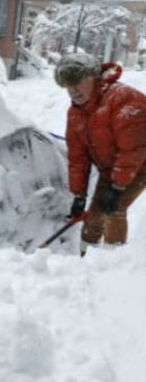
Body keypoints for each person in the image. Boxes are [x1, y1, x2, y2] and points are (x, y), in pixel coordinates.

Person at [54, 53, 146, 254]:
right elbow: (78, 158)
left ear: (93, 77)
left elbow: (133, 150)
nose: (72, 91)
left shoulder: (123, 99)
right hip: (112, 167)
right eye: (68, 85)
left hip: (140, 164)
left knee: (114, 208)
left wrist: (117, 187)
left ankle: (112, 266)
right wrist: (79, 195)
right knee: (95, 216)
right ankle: (85, 260)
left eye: (77, 82)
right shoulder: (76, 112)